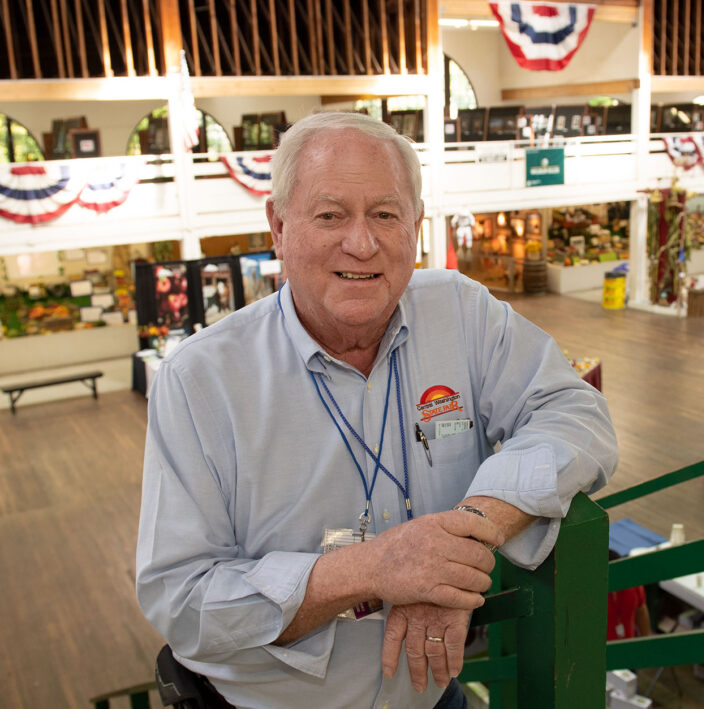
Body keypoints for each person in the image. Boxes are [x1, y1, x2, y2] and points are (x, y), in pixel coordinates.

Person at [136, 111, 618, 709]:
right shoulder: (200, 379)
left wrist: (457, 540)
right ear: (279, 227)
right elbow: (181, 601)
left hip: (433, 697)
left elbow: (575, 410)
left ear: (415, 225)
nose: (361, 243)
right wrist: (374, 569)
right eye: (330, 215)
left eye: (385, 214)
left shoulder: (463, 313)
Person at [606, 549, 651, 641]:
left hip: (628, 644)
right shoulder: (591, 593)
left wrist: (647, 641)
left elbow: (641, 611)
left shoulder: (631, 582)